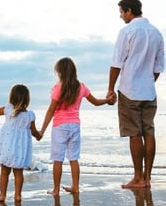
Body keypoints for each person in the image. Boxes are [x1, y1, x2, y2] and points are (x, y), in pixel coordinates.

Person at [107, 0, 164, 189]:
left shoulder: (127, 31)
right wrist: (147, 81)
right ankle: (147, 178)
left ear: (129, 11)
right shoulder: (157, 33)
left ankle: (138, 177)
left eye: (122, 12)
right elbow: (158, 68)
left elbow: (117, 62)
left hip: (129, 90)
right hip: (149, 91)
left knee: (134, 134)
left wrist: (110, 89)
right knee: (149, 132)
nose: (121, 16)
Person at [39, 57, 114, 195]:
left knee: (58, 159)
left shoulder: (58, 88)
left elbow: (50, 110)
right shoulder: (81, 87)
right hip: (75, 125)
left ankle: (56, 189)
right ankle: (75, 187)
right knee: (74, 158)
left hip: (60, 126)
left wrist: (42, 130)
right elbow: (96, 102)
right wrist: (107, 101)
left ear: (60, 72)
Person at [0, 84, 41, 202]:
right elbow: (34, 132)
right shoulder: (30, 116)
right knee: (18, 173)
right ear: (27, 100)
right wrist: (39, 135)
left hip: (7, 147)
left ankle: (2, 195)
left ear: (11, 98)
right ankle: (18, 195)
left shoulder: (8, 110)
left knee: (4, 172)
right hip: (20, 150)